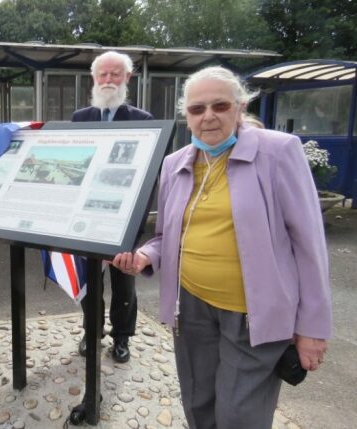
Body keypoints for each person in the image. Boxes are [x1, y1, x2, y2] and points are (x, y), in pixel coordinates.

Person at [112, 66, 332, 429]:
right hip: (192, 307)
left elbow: (310, 245)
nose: (208, 116)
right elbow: (166, 236)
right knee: (198, 402)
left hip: (253, 315)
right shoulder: (174, 164)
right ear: (187, 115)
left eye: (220, 105)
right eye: (198, 109)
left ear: (239, 107)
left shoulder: (278, 152)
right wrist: (144, 257)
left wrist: (312, 328)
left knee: (238, 415)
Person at [72, 51, 153, 363]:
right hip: (87, 218)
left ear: (127, 78)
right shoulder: (81, 119)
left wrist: (134, 231)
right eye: (102, 75)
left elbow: (148, 181)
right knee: (90, 282)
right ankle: (91, 332)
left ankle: (122, 337)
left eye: (115, 74)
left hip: (124, 220)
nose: (108, 80)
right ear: (94, 79)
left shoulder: (142, 121)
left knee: (124, 285)